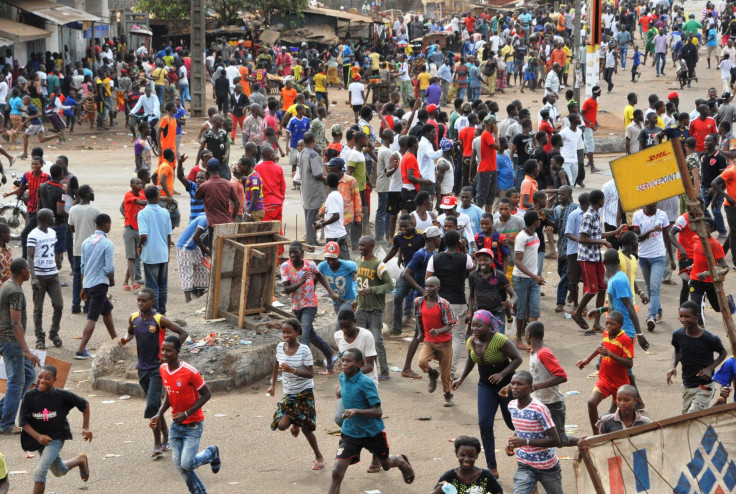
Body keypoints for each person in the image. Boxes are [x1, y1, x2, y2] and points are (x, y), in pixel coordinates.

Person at [327, 348, 415, 494]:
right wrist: (340, 393)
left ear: (360, 364)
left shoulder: (366, 384)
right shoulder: (342, 377)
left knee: (386, 465)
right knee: (337, 472)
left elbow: (378, 411)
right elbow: (343, 389)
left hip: (372, 433)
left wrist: (356, 411)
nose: (344, 364)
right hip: (351, 432)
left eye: (349, 361)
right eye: (343, 360)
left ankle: (399, 461)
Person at [452, 310, 523, 478]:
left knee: (513, 423)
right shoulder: (471, 341)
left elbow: (517, 359)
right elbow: (470, 359)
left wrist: (502, 375)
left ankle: (525, 447)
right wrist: (461, 379)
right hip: (485, 386)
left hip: (505, 386)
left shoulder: (499, 339)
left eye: (479, 325)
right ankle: (492, 468)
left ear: (489, 326)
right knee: (485, 423)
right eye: (473, 325)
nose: (475, 328)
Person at [119, 288, 188, 457]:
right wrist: (125, 339)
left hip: (157, 369)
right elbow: (130, 331)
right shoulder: (134, 318)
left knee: (151, 405)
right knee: (155, 404)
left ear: (152, 302)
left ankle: (157, 442)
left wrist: (169, 353)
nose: (140, 303)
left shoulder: (159, 320)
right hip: (142, 368)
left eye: (144, 301)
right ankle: (166, 436)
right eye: (139, 300)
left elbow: (183, 333)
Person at [150, 335, 221, 493]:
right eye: (163, 349)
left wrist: (187, 413)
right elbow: (170, 394)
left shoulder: (190, 372)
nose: (164, 353)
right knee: (180, 465)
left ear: (178, 352)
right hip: (176, 425)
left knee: (186, 464)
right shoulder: (163, 369)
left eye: (169, 350)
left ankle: (211, 453)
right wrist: (159, 414)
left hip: (193, 425)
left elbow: (207, 394)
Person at [19, 364, 91, 494]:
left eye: (48, 378)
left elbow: (84, 404)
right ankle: (80, 459)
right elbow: (23, 422)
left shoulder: (61, 395)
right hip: (39, 440)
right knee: (59, 471)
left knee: (40, 471)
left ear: (54, 380)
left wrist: (85, 427)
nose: (42, 381)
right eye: (40, 377)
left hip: (56, 437)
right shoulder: (29, 396)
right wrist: (38, 437)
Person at [267, 319, 325, 471]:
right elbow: (276, 363)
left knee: (307, 429)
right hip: (289, 392)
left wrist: (293, 370)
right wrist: (273, 385)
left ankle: (319, 456)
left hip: (304, 392)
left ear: (297, 332)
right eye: (284, 332)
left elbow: (310, 374)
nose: (286, 335)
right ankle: (295, 422)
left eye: (289, 332)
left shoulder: (304, 350)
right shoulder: (280, 347)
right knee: (281, 425)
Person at [280, 241, 339, 371]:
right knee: (310, 334)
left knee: (303, 333)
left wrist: (330, 292)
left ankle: (306, 366)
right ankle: (330, 354)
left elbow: (320, 276)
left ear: (302, 253)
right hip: (296, 305)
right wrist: (301, 282)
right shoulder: (285, 267)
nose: (292, 255)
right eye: (290, 252)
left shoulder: (310, 264)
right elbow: (287, 290)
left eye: (295, 252)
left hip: (310, 304)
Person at [505, 370, 563, 494]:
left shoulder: (539, 409)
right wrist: (513, 443)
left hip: (547, 465)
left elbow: (555, 440)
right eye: (512, 383)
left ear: (530, 388)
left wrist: (524, 441)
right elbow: (521, 429)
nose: (514, 387)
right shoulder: (511, 406)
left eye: (520, 384)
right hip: (524, 463)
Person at [576, 310, 634, 434]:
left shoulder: (625, 340)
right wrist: (588, 359)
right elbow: (601, 346)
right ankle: (596, 434)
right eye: (607, 323)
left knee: (619, 416)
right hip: (604, 379)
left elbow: (629, 362)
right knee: (591, 403)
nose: (608, 327)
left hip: (620, 383)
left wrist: (610, 354)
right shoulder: (606, 334)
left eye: (612, 324)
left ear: (620, 325)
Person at [0, 258, 41, 434]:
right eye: (28, 269)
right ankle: (7, 424)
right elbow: (16, 323)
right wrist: (27, 350)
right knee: (16, 382)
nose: (30, 272)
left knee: (29, 374)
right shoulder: (15, 292)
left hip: (7, 340)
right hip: (12, 342)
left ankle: (2, 412)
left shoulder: (6, 285)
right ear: (23, 271)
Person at [426, 229, 474, 376]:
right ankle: (450, 370)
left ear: (444, 242)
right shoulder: (465, 258)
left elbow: (427, 281)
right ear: (458, 242)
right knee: (458, 338)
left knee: (441, 335)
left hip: (439, 303)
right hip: (458, 302)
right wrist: (465, 249)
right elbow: (474, 270)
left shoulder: (435, 258)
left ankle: (442, 364)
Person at [667, 301, 728, 414]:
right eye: (681, 316)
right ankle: (714, 409)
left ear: (697, 317)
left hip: (704, 386)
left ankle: (713, 409)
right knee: (686, 418)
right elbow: (677, 351)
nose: (683, 320)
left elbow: (723, 353)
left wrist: (710, 368)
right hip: (687, 385)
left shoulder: (710, 338)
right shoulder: (678, 335)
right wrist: (672, 366)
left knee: (692, 416)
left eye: (687, 316)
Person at [74, 214, 117, 359]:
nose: (110, 227)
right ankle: (81, 350)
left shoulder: (86, 242)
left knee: (107, 310)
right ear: (105, 225)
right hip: (100, 284)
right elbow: (109, 267)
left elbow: (83, 266)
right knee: (92, 317)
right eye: (109, 224)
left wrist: (83, 286)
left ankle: (116, 341)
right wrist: (111, 279)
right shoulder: (107, 243)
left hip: (89, 283)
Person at [356, 235, 395, 380]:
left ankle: (384, 370)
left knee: (377, 340)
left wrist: (372, 290)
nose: (360, 248)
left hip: (375, 309)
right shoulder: (358, 261)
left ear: (371, 247)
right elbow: (360, 284)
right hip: (361, 307)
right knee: (360, 340)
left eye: (363, 246)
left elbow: (390, 285)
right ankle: (362, 369)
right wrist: (356, 300)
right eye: (359, 245)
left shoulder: (378, 264)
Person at [415, 276, 457, 407]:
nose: (428, 289)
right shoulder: (419, 301)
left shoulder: (444, 304)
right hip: (429, 341)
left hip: (444, 343)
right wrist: (421, 333)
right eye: (426, 286)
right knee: (421, 362)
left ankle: (448, 395)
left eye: (431, 286)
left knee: (446, 373)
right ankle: (433, 374)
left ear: (438, 288)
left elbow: (450, 324)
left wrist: (439, 331)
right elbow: (418, 317)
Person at [27, 209, 63, 350]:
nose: (54, 218)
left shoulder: (52, 232)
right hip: (40, 276)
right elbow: (30, 256)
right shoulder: (33, 235)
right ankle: (39, 337)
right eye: (52, 216)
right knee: (38, 309)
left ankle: (54, 333)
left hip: (53, 274)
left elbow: (52, 249)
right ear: (45, 218)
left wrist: (57, 260)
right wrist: (33, 277)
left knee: (59, 305)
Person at [632, 204, 672, 329]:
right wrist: (650, 230)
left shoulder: (662, 215)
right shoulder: (637, 215)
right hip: (643, 257)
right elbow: (637, 237)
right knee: (650, 287)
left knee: (655, 287)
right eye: (649, 207)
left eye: (654, 206)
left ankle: (651, 316)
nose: (652, 208)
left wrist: (671, 258)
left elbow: (667, 236)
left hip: (658, 256)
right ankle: (658, 310)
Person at [137, 186, 173, 315]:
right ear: (157, 197)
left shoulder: (143, 213)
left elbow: (143, 235)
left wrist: (139, 245)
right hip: (163, 253)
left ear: (145, 197)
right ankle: (162, 311)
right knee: (163, 285)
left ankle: (155, 312)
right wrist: (168, 252)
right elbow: (169, 235)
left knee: (153, 286)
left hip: (151, 254)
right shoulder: (165, 212)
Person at [512, 210, 544, 349]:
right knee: (521, 310)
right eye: (538, 219)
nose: (540, 221)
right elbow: (517, 261)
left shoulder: (535, 234)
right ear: (534, 222)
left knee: (535, 309)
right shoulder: (521, 237)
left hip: (533, 278)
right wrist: (534, 276)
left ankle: (532, 339)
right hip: (522, 279)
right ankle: (519, 338)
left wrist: (535, 276)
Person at [431, 436, 503, 494]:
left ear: (476, 456)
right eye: (462, 455)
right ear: (457, 454)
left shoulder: (486, 476)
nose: (466, 459)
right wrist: (438, 490)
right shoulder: (449, 476)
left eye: (471, 456)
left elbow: (499, 492)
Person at [68, 185, 99, 313]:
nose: (93, 194)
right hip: (92, 248)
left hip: (78, 247)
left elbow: (71, 228)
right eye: (91, 192)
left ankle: (75, 305)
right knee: (89, 277)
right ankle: (88, 305)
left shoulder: (73, 209)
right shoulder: (95, 210)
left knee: (77, 277)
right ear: (87, 194)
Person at [175, 215, 209, 302]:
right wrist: (207, 250)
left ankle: (200, 296)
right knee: (186, 272)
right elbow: (195, 237)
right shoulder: (205, 219)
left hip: (194, 246)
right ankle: (188, 300)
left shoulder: (211, 220)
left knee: (201, 269)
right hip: (184, 246)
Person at [317, 242, 357, 315]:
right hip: (336, 301)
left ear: (337, 255)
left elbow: (362, 271)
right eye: (328, 258)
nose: (330, 261)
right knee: (343, 322)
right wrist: (330, 292)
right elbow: (315, 275)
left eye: (333, 258)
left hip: (349, 299)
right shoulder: (323, 266)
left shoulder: (348, 265)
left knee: (340, 320)